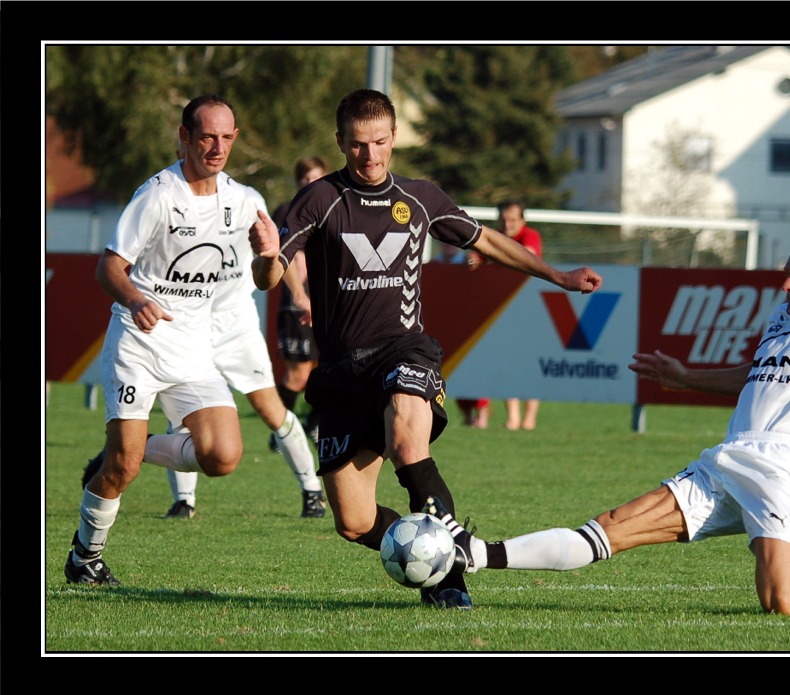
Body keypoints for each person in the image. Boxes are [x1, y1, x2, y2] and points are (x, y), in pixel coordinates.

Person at [425, 138, 790, 616]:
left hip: (780, 470)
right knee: (609, 529)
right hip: (727, 458)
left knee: (783, 602)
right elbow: (754, 377)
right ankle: (476, 553)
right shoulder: (783, 319)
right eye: (786, 272)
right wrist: (684, 376)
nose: (784, 284)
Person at [248, 88, 603, 609]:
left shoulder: (419, 198)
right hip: (342, 375)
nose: (369, 156)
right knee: (354, 522)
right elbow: (269, 275)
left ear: (394, 139)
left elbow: (484, 240)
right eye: (357, 145)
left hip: (403, 351)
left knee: (408, 439)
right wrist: (266, 258)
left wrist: (558, 275)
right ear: (341, 142)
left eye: (379, 142)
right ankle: (438, 550)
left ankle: (448, 576)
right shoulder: (319, 200)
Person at [66, 94, 262, 585]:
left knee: (224, 456)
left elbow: (267, 277)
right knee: (122, 471)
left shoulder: (244, 202)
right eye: (206, 137)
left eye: (226, 137)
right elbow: (109, 266)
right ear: (185, 137)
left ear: (235, 138)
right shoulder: (157, 195)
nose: (217, 148)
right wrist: (135, 299)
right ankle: (84, 558)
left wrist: (272, 257)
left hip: (194, 350)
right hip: (138, 344)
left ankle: (129, 448)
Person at [156, 151, 327, 520]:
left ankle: (312, 490)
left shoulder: (247, 199)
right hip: (188, 326)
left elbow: (275, 252)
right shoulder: (165, 199)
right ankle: (184, 501)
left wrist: (298, 293)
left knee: (271, 410)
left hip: (235, 326)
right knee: (182, 415)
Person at [267, 155, 328, 452]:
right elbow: (281, 255)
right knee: (299, 372)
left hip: (328, 302)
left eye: (316, 178)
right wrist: (301, 295)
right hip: (297, 304)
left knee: (330, 369)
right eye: (305, 180)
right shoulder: (287, 211)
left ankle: (315, 425)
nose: (311, 184)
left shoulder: (333, 209)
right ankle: (279, 429)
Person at [496, 199, 543, 430]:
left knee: (529, 364)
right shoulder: (495, 236)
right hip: (503, 311)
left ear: (522, 221)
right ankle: (513, 417)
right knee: (507, 361)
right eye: (504, 220)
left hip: (529, 310)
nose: (508, 224)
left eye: (513, 220)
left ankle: (529, 419)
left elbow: (528, 255)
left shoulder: (529, 235)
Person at [432, 243, 490, 428]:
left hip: (468, 324)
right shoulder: (433, 264)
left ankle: (482, 414)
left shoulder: (467, 261)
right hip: (445, 324)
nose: (448, 244)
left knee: (475, 369)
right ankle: (466, 414)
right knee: (454, 370)